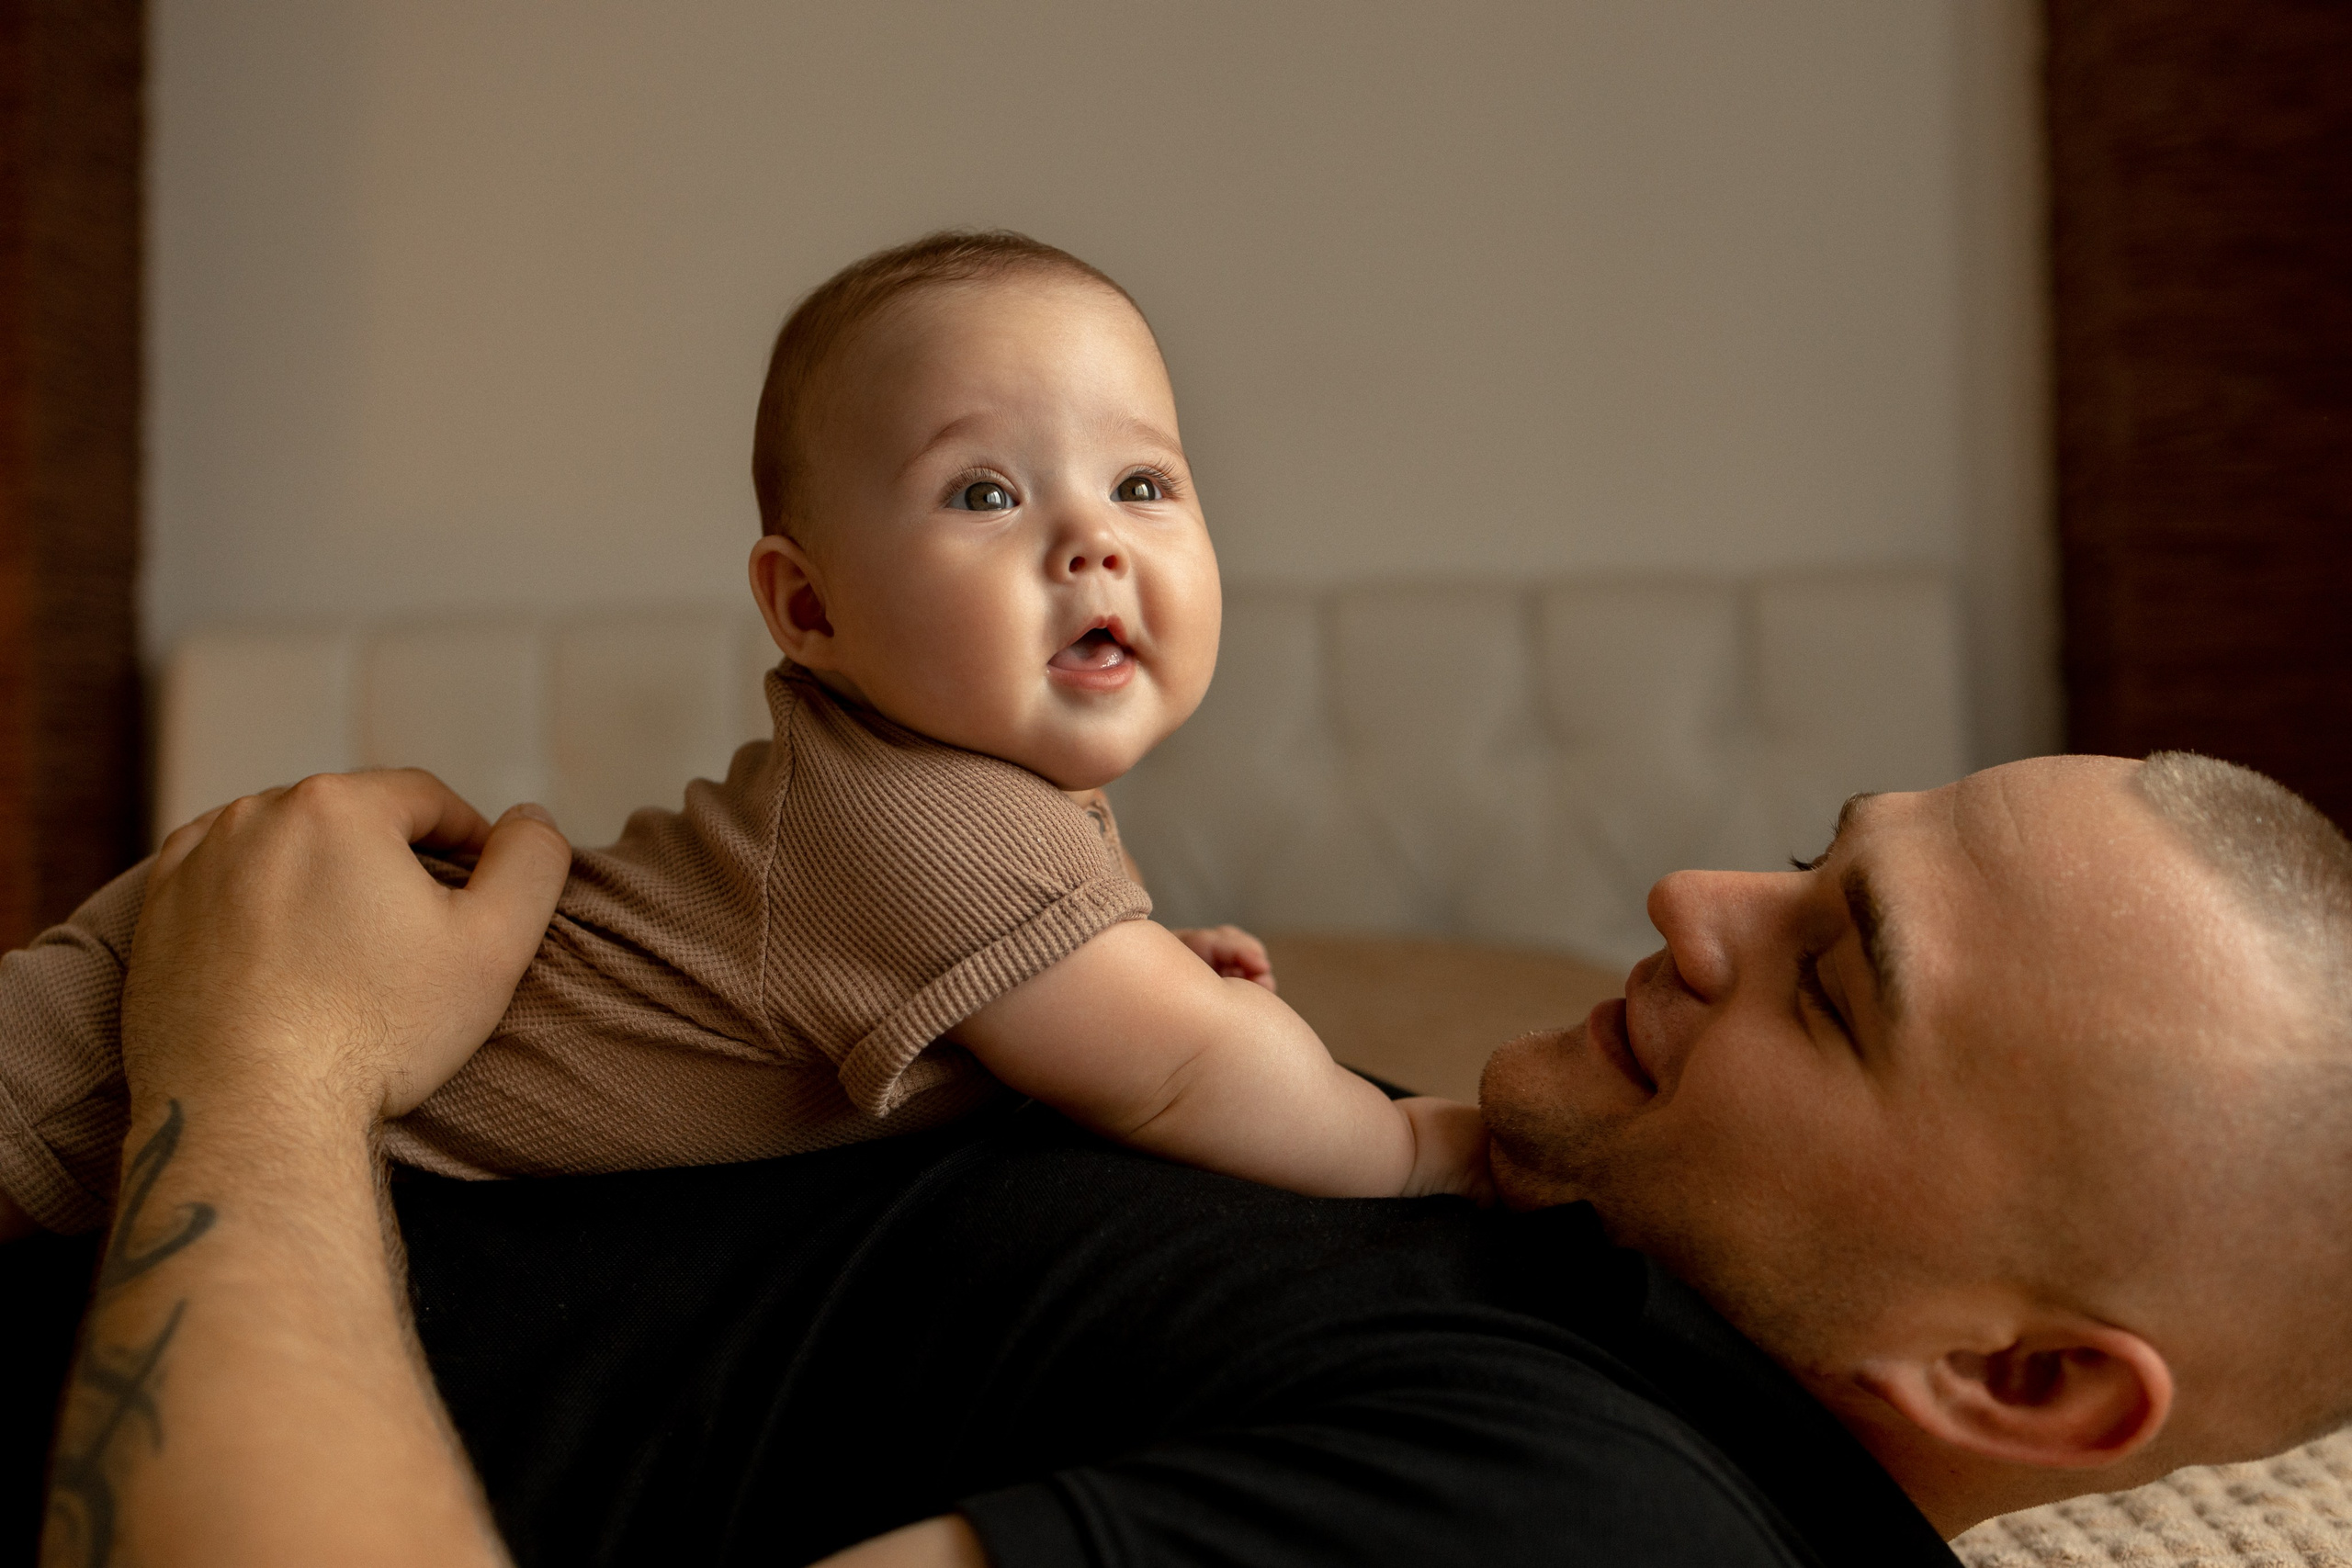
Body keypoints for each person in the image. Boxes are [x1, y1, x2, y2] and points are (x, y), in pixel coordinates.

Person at [24, 749, 2352, 1566]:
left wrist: (266, 1051)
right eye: (1799, 854)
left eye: (1840, 982)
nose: (1692, 905)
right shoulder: (1601, 1260)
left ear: (2024, 1386)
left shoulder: (1596, 1533)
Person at [0, 230, 1485, 1250]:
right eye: (985, 493)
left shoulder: (944, 806)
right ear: (810, 605)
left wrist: (1154, 972)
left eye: (1146, 486)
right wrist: (1415, 1144)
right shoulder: (925, 830)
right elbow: (1173, 1081)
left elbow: (1094, 1022)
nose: (1092, 541)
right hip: (115, 1066)